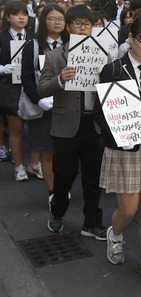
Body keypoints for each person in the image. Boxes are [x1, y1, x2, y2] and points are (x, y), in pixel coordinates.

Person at [94, 16, 141, 286]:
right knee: (128, 209)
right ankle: (115, 235)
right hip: (125, 144)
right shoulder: (113, 70)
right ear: (131, 38)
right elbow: (101, 111)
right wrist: (118, 136)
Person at [38, 4, 107, 239]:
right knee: (64, 175)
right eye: (76, 23)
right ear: (68, 27)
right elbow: (42, 88)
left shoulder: (103, 56)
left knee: (93, 177)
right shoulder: (55, 56)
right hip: (66, 125)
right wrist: (60, 79)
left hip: (94, 124)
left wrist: (104, 80)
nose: (82, 28)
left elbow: (113, 92)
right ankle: (57, 213)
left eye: (86, 24)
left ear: (92, 28)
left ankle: (93, 222)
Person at [21, 3, 68, 209]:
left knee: (65, 152)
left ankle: (63, 186)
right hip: (44, 107)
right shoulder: (32, 46)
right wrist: (39, 99)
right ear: (43, 21)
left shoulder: (72, 43)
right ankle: (53, 193)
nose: (57, 23)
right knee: (48, 152)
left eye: (61, 19)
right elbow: (27, 78)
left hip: (67, 106)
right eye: (52, 19)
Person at [0, 0, 34, 181]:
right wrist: (3, 68)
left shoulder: (34, 36)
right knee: (16, 127)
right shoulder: (2, 38)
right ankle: (19, 164)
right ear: (7, 17)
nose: (21, 17)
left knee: (36, 126)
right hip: (10, 88)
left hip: (31, 86)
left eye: (24, 14)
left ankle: (34, 163)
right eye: (16, 14)